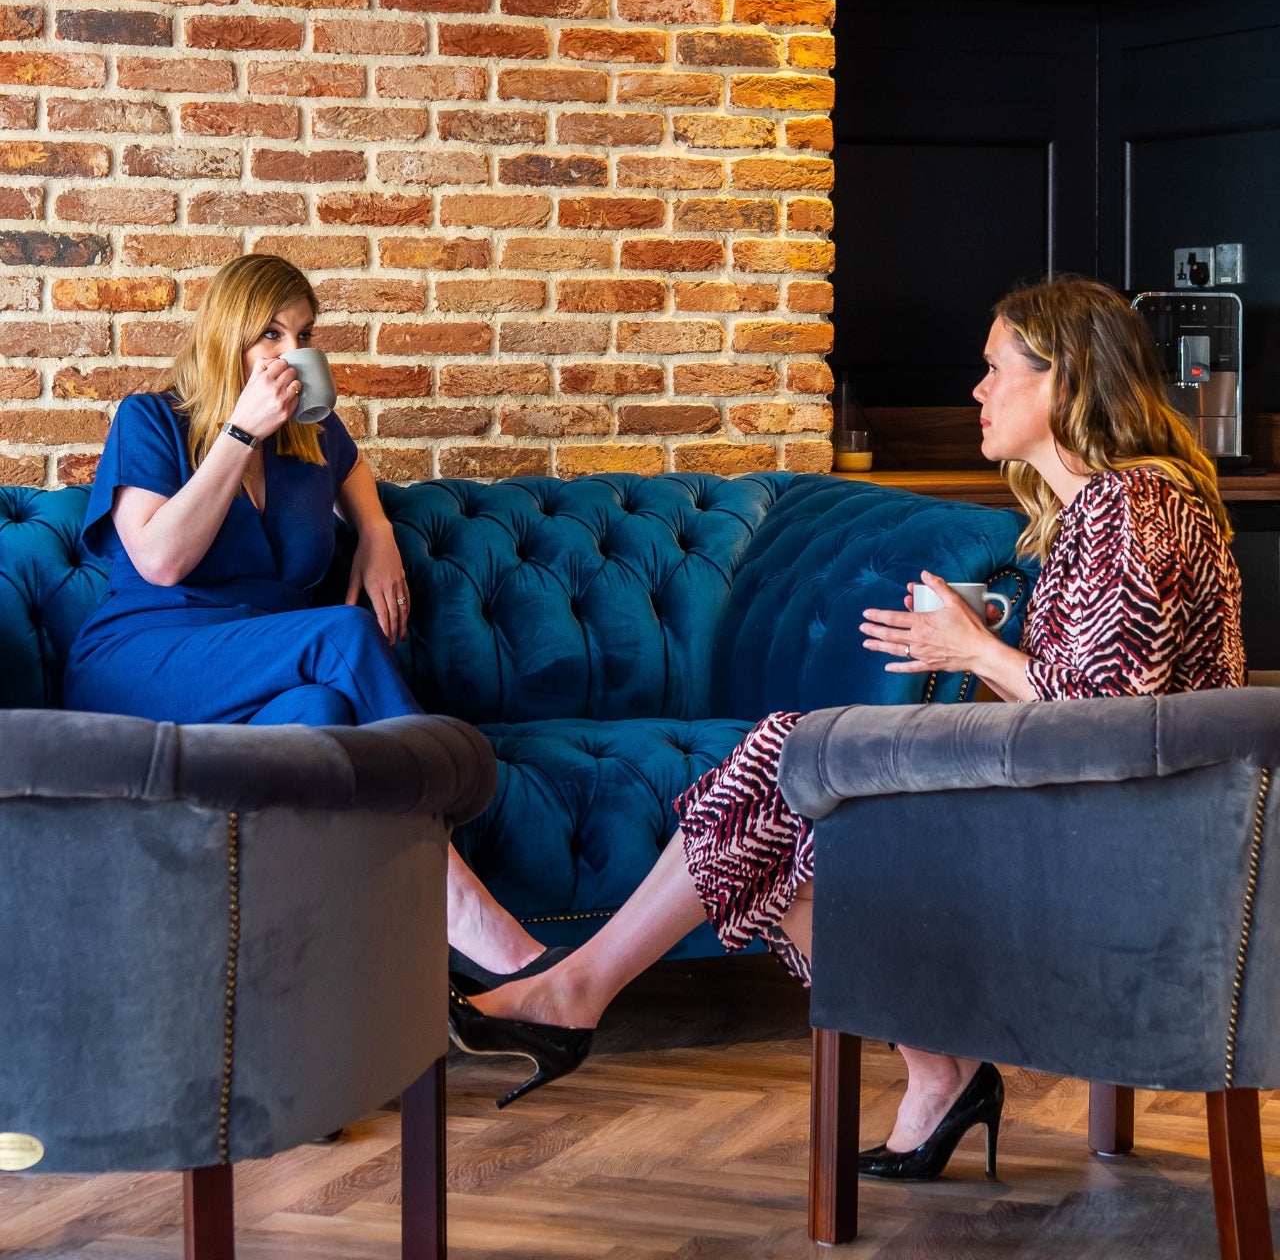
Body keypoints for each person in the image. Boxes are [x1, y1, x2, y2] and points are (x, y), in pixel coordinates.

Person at [447, 275, 1247, 1179]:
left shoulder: (1127, 505)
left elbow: (1106, 723)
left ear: (1062, 380)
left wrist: (977, 650)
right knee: (784, 800)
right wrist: (975, 648)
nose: (977, 392)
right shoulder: (1121, 507)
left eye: (993, 371)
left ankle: (585, 992)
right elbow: (1102, 701)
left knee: (791, 769)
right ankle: (933, 1076)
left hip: (1113, 849)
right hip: (1115, 827)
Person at [62, 252, 556, 1004]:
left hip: (261, 674)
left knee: (322, 721)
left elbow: (351, 464)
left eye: (303, 334)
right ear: (227, 335)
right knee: (344, 635)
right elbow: (160, 559)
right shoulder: (152, 420)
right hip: (145, 657)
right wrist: (237, 434)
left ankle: (308, 1018)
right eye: (269, 334)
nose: (290, 354)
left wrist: (378, 532)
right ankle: (479, 924)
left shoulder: (308, 440)